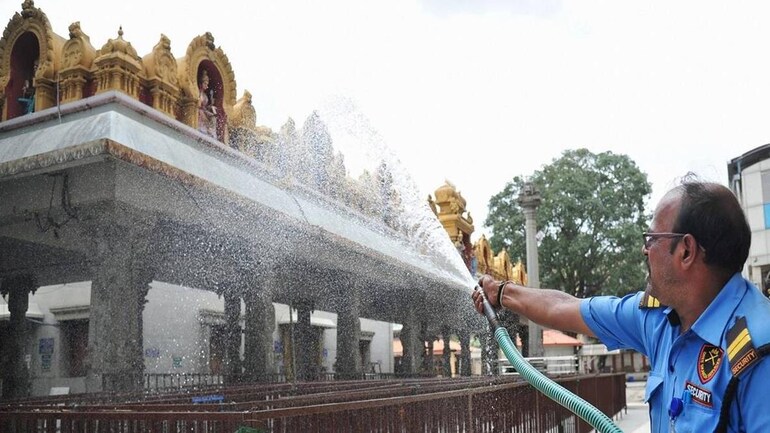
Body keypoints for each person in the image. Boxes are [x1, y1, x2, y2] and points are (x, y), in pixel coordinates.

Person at [473, 179, 770, 433]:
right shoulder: (659, 319)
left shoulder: (760, 350)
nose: (645, 249)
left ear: (686, 251)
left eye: (652, 238)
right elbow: (565, 308)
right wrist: (502, 294)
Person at [197, 70, 217, 138]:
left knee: (213, 117)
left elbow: (206, 107)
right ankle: (204, 129)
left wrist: (211, 106)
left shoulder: (205, 95)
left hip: (204, 110)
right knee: (202, 113)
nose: (206, 86)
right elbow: (198, 104)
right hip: (198, 110)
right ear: (201, 83)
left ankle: (211, 131)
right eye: (205, 83)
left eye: (207, 84)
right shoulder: (198, 92)